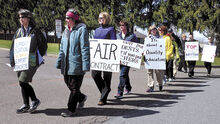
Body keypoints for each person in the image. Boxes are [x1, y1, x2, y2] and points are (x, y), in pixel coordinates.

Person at [9, 9, 47, 114]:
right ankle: (26, 104)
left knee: (23, 81)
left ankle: (34, 100)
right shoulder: (18, 32)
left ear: (28, 18)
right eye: (19, 17)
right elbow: (13, 47)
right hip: (20, 61)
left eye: (23, 17)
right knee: (22, 83)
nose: (20, 19)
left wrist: (39, 55)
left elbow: (43, 45)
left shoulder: (35, 31)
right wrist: (12, 60)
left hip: (31, 61)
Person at [56, 8, 90, 117]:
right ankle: (81, 97)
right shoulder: (66, 30)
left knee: (74, 88)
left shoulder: (82, 29)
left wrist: (85, 64)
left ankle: (71, 109)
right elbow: (62, 48)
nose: (66, 20)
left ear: (74, 19)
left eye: (68, 18)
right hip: (66, 64)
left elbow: (85, 48)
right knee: (69, 84)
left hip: (77, 63)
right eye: (65, 17)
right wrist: (59, 61)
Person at [92, 12, 116, 105]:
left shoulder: (111, 29)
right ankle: (105, 90)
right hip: (97, 56)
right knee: (95, 74)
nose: (100, 19)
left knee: (107, 77)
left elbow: (114, 43)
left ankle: (103, 98)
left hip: (108, 57)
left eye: (102, 18)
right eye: (99, 18)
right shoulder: (97, 30)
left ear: (106, 18)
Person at [114, 20, 138, 99]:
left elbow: (137, 46)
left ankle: (119, 92)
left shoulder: (132, 36)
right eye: (120, 25)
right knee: (125, 74)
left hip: (128, 59)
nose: (121, 26)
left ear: (126, 26)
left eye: (123, 25)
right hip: (119, 59)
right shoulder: (117, 36)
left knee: (122, 74)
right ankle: (128, 87)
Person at [145, 25, 164, 92]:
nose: (153, 30)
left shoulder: (161, 38)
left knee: (158, 72)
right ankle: (151, 86)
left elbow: (163, 48)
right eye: (152, 29)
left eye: (154, 29)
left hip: (158, 58)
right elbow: (145, 48)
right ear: (150, 31)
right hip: (149, 58)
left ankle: (160, 84)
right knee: (149, 72)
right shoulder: (147, 38)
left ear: (156, 30)